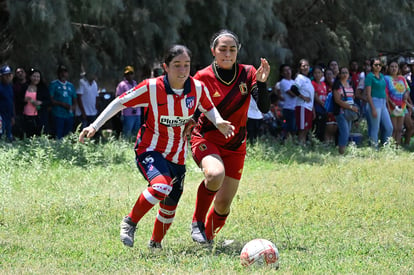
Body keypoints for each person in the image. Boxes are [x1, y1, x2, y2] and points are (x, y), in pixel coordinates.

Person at [79, 45, 234, 249]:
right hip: (149, 149)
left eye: (186, 65)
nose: (182, 70)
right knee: (162, 185)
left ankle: (155, 245)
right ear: (165, 67)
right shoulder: (152, 87)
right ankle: (130, 222)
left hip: (177, 156)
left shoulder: (196, 88)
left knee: (170, 205)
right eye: (177, 65)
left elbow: (208, 106)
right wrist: (94, 126)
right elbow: (119, 102)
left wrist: (219, 121)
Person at [189, 30, 270, 244]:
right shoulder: (202, 77)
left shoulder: (248, 72)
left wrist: (261, 83)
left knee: (223, 203)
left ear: (238, 51)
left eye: (232, 49)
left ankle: (207, 239)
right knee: (215, 175)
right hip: (206, 140)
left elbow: (263, 107)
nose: (227, 54)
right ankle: (197, 222)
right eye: (222, 49)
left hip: (236, 145)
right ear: (213, 51)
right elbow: (191, 111)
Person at [365, 58, 393, 147]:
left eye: (379, 65)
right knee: (375, 128)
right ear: (372, 66)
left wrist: (388, 106)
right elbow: (368, 94)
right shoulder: (369, 76)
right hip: (374, 102)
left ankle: (386, 147)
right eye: (376, 65)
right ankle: (374, 149)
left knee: (389, 127)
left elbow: (384, 92)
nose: (378, 67)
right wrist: (372, 108)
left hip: (383, 103)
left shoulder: (382, 76)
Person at [332, 67, 358, 154]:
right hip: (341, 112)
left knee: (347, 131)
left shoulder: (349, 84)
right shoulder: (337, 85)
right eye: (342, 72)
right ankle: (341, 153)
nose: (344, 74)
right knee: (345, 133)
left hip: (349, 113)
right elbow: (337, 100)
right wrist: (351, 107)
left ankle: (342, 151)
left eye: (346, 72)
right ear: (339, 74)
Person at [19, 68, 51, 137]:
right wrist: (24, 100)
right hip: (26, 116)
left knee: (39, 135)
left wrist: (41, 102)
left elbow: (49, 101)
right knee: (27, 135)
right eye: (34, 76)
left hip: (39, 116)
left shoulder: (43, 88)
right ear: (30, 77)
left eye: (38, 77)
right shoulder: (25, 86)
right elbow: (19, 99)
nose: (36, 78)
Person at [385, 60, 410, 146]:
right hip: (392, 106)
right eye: (392, 66)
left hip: (402, 106)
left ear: (398, 68)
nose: (394, 68)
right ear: (388, 68)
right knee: (394, 128)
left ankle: (397, 146)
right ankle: (390, 147)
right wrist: (391, 103)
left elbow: (407, 89)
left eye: (395, 66)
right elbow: (386, 93)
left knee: (399, 129)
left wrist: (406, 94)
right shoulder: (386, 78)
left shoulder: (402, 78)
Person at [49, 65, 77, 139]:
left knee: (68, 135)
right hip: (58, 114)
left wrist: (73, 108)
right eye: (61, 72)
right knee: (58, 135)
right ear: (58, 73)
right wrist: (62, 104)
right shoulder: (53, 84)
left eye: (65, 72)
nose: (63, 74)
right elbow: (51, 100)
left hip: (69, 115)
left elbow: (74, 99)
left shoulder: (70, 85)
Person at [292, 58, 314, 145]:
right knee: (302, 129)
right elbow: (293, 88)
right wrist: (303, 97)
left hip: (308, 107)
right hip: (302, 106)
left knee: (306, 129)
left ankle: (303, 144)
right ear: (300, 68)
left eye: (307, 65)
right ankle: (300, 146)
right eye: (303, 66)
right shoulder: (300, 78)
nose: (306, 67)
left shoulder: (308, 79)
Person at [116, 66, 141, 140]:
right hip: (127, 112)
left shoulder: (135, 83)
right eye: (127, 74)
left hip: (137, 112)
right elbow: (118, 97)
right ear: (125, 75)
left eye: (131, 73)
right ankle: (125, 146)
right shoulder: (122, 85)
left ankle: (134, 146)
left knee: (136, 132)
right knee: (127, 132)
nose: (129, 75)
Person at [278, 64, 296, 140]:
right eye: (285, 70)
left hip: (295, 107)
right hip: (288, 108)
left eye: (289, 69)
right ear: (282, 73)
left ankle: (291, 141)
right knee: (289, 127)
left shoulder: (293, 81)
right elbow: (292, 94)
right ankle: (286, 142)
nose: (288, 72)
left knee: (295, 127)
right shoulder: (283, 82)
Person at [312, 65, 327, 142]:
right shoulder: (313, 83)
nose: (317, 74)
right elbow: (314, 96)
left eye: (319, 73)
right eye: (315, 73)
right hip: (317, 107)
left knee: (323, 126)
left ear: (322, 74)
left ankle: (321, 141)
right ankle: (315, 141)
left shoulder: (323, 84)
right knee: (317, 125)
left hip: (324, 108)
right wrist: (322, 103)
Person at [0, 65, 14, 142]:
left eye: (9, 75)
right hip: (1, 117)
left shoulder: (10, 87)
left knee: (8, 136)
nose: (8, 77)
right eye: (6, 75)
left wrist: (12, 116)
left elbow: (11, 102)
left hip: (8, 117)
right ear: (1, 76)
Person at [12, 67, 27, 139]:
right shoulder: (13, 86)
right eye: (18, 72)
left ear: (25, 74)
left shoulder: (30, 86)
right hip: (18, 113)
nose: (20, 73)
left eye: (22, 72)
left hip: (29, 114)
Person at [324, 68, 337, 145]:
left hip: (335, 110)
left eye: (330, 74)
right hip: (326, 110)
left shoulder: (336, 85)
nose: (329, 76)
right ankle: (326, 145)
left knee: (334, 128)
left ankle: (331, 145)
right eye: (327, 74)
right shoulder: (323, 85)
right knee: (328, 128)